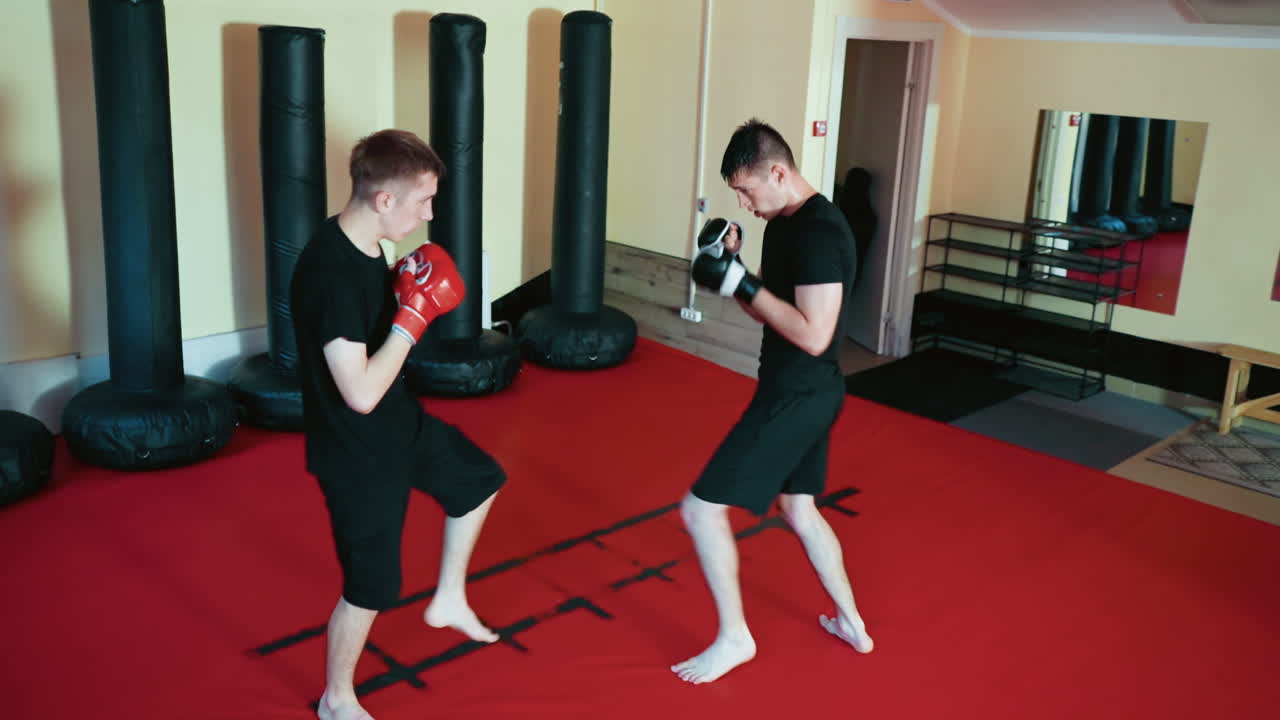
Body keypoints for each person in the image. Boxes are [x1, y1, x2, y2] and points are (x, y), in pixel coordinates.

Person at [290, 129, 506, 720]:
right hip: (355, 450)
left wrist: (399, 292)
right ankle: (336, 699)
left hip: (398, 422)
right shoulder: (331, 273)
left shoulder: (367, 247)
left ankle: (449, 599)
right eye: (423, 201)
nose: (429, 213)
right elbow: (358, 392)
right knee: (372, 586)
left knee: (479, 479)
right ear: (385, 200)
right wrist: (412, 318)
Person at [673, 119, 874, 685]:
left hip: (800, 395)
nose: (742, 202)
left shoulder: (820, 234)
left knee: (699, 510)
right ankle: (853, 622)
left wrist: (741, 282)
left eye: (746, 190)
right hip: (798, 388)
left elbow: (814, 333)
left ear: (779, 173)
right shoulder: (783, 225)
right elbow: (765, 308)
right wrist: (733, 272)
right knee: (799, 508)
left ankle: (735, 637)